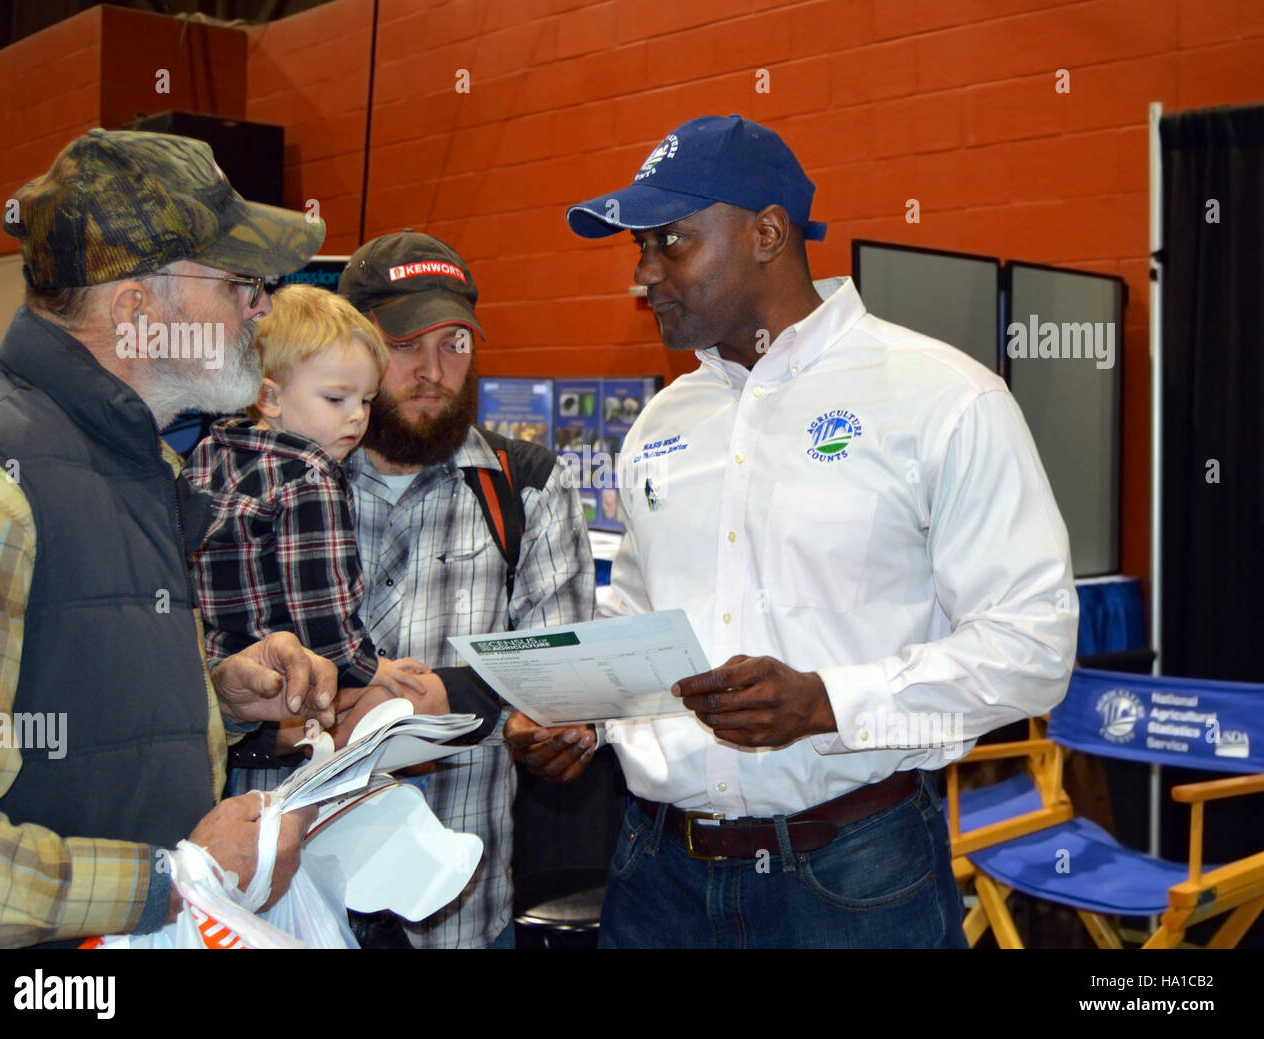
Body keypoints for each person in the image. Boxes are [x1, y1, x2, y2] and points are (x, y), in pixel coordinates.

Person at [506, 114, 1079, 949]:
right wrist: (583, 714)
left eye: (671, 242)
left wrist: (826, 703)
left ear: (768, 232)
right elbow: (636, 620)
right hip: (656, 874)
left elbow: (1033, 646)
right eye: (639, 248)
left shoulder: (943, 400)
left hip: (856, 875)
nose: (645, 273)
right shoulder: (662, 424)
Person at [0, 129, 351, 947]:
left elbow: (52, 716)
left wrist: (213, 698)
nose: (263, 306)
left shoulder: (136, 460)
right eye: (241, 282)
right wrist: (171, 879)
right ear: (137, 311)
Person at [337, 231, 595, 948]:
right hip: (295, 909)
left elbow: (564, 677)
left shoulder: (528, 486)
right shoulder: (280, 478)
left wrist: (525, 718)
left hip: (458, 921)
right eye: (405, 344)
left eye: (454, 343)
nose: (433, 370)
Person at [181, 284, 449, 794]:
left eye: (367, 400)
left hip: (219, 682)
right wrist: (369, 669)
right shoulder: (310, 474)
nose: (357, 416)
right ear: (270, 395)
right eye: (336, 398)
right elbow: (319, 604)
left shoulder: (210, 450)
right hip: (292, 680)